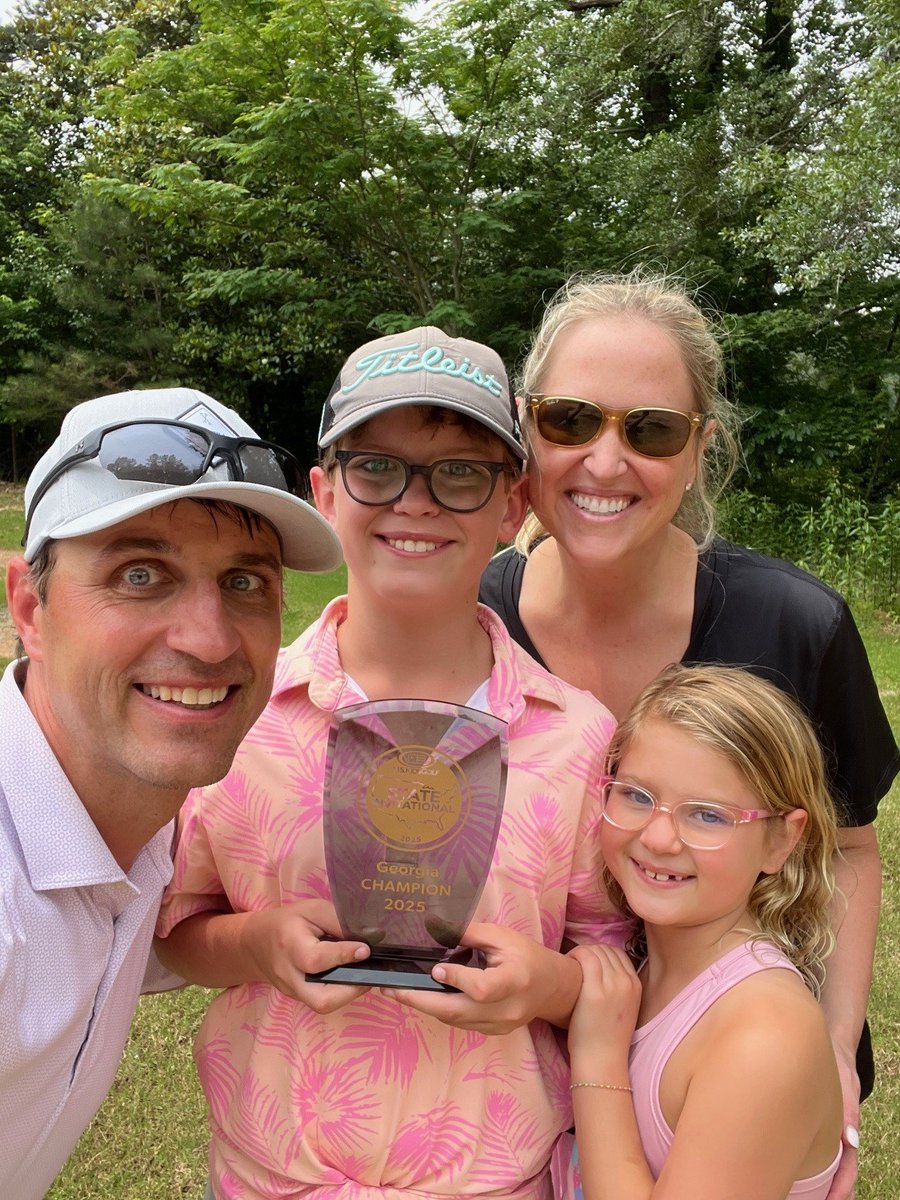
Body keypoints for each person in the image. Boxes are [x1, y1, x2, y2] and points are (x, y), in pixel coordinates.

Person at [154, 327, 627, 1200]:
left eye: (460, 474)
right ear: (325, 492)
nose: (416, 502)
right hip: (270, 1178)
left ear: (512, 505)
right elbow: (181, 927)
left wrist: (550, 986)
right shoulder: (240, 714)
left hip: (494, 1182)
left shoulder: (576, 736)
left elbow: (609, 952)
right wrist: (255, 943)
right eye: (376, 467)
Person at [478, 271, 898, 1198]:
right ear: (523, 428)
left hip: (721, 1080)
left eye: (652, 430)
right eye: (570, 420)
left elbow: (851, 847)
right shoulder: (471, 625)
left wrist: (832, 1042)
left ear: (701, 448)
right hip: (522, 1080)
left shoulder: (794, 625)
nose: (605, 461)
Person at [0, 385, 348, 1200]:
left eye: (244, 582)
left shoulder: (139, 822)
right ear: (31, 608)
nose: (210, 639)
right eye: (140, 573)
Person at [562, 663, 844, 1200]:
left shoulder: (765, 1036)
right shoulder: (650, 966)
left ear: (782, 841)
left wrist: (597, 1055)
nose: (659, 837)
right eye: (636, 796)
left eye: (709, 816)